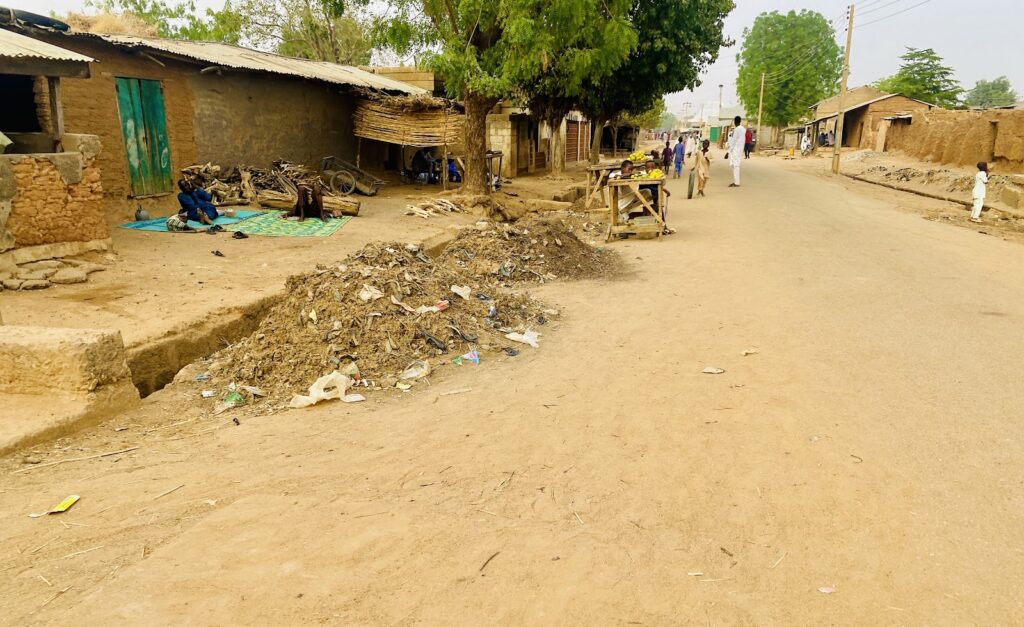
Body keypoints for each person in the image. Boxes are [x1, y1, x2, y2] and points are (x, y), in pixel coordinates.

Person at [726, 116, 746, 188]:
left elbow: (733, 141)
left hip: (736, 149)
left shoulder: (736, 130)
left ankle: (736, 182)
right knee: (733, 164)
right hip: (740, 149)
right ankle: (736, 181)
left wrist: (728, 152)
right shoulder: (743, 129)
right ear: (740, 121)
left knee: (736, 165)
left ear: (735, 122)